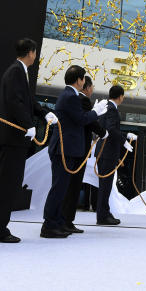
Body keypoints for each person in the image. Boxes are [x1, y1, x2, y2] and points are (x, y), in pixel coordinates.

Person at [0, 38, 55, 243]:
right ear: (30, 52)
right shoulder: (16, 72)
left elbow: (28, 101)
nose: (35, 56)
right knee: (7, 185)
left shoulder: (19, 72)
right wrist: (28, 124)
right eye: (35, 52)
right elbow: (15, 102)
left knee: (2, 182)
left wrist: (44, 113)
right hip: (12, 136)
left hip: (10, 137)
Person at [41, 66, 107, 238]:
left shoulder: (69, 95)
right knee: (58, 188)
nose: (84, 82)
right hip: (64, 149)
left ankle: (57, 223)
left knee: (61, 189)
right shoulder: (70, 96)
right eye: (83, 79)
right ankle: (49, 225)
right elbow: (81, 119)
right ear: (79, 80)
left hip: (67, 149)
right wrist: (95, 112)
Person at [59, 75, 107, 233]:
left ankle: (65, 220)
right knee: (72, 186)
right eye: (92, 86)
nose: (92, 89)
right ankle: (66, 221)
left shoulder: (76, 98)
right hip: (78, 149)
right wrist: (103, 132)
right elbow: (89, 121)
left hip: (75, 148)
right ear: (85, 86)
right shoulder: (83, 100)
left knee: (71, 186)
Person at [95, 84, 135, 225]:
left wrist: (124, 135)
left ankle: (104, 213)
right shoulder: (112, 110)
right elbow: (111, 130)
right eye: (123, 96)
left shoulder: (106, 107)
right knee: (105, 186)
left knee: (105, 186)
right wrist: (124, 140)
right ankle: (102, 216)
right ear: (120, 96)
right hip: (107, 152)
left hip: (103, 152)